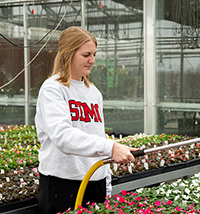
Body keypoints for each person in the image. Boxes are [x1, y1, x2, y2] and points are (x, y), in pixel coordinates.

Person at [34, 26, 138, 214]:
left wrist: (105, 183)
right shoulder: (53, 89)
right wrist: (111, 147)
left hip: (94, 182)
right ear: (68, 54)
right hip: (63, 184)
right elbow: (62, 136)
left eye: (94, 54)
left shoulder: (93, 92)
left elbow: (96, 134)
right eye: (86, 55)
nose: (92, 60)